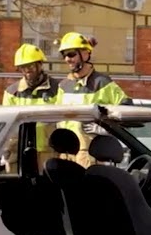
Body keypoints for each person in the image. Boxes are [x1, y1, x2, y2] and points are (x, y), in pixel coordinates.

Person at [55, 32, 130, 165]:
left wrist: (106, 129)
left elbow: (127, 110)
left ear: (85, 54)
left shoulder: (102, 83)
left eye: (71, 54)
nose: (67, 59)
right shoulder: (64, 86)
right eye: (64, 55)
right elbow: (56, 118)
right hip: (66, 155)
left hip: (90, 155)